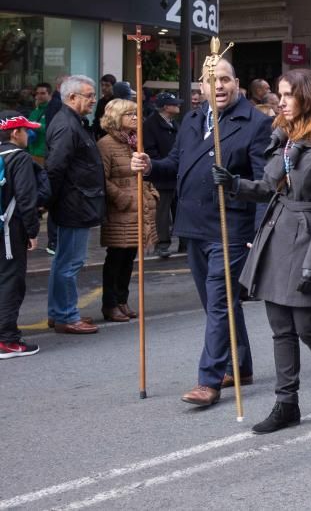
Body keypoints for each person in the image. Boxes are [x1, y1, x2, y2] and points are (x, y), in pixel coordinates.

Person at [213, 69, 311, 434]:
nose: (281, 101)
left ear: (307, 96)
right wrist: (235, 185)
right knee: (280, 326)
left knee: (308, 325)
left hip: (308, 238)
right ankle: (286, 403)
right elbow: (267, 186)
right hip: (278, 232)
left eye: (289, 94)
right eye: (279, 94)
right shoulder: (287, 136)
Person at [131, 58, 271, 406]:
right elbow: (176, 167)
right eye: (212, 81)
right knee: (216, 303)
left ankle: (209, 379)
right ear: (201, 88)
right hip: (193, 225)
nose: (219, 86)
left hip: (230, 225)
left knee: (221, 301)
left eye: (225, 79)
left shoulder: (255, 124)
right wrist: (149, 167)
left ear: (237, 82)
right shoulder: (193, 119)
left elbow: (264, 184)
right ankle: (241, 364)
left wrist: (258, 231)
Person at [46, 76, 104, 335]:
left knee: (65, 262)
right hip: (74, 204)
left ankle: (60, 312)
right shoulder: (68, 125)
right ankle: (66, 315)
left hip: (76, 202)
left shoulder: (72, 122)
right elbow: (55, 168)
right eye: (89, 95)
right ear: (72, 97)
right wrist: (49, 201)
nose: (93, 100)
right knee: (69, 263)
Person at [97, 99, 158, 323]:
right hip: (120, 211)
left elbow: (142, 172)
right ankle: (110, 304)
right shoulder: (105, 144)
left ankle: (122, 301)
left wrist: (151, 192)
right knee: (116, 258)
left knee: (129, 258)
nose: (135, 117)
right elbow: (101, 179)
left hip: (138, 208)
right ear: (116, 118)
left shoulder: (134, 142)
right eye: (129, 114)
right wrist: (123, 199)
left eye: (136, 113)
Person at [0, 113, 42, 358]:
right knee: (10, 282)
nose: (29, 134)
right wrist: (32, 231)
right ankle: (7, 340)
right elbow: (27, 199)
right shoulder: (19, 158)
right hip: (9, 230)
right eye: (26, 130)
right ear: (15, 133)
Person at [145, 93, 180, 258]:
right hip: (162, 175)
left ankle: (184, 242)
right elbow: (150, 150)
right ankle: (162, 243)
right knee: (162, 212)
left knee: (179, 209)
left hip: (176, 174)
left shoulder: (173, 123)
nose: (178, 105)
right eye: (174, 103)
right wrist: (162, 165)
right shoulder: (151, 125)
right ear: (166, 107)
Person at [27, 83, 51, 164]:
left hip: (44, 153)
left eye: (43, 93)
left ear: (49, 94)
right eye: (37, 93)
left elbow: (53, 129)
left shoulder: (52, 110)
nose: (39, 96)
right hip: (32, 151)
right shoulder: (35, 111)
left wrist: (37, 126)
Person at [93, 74, 117, 138]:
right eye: (102, 85)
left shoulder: (117, 101)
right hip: (101, 136)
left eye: (107, 85)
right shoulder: (100, 101)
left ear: (113, 86)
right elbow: (97, 119)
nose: (103, 88)